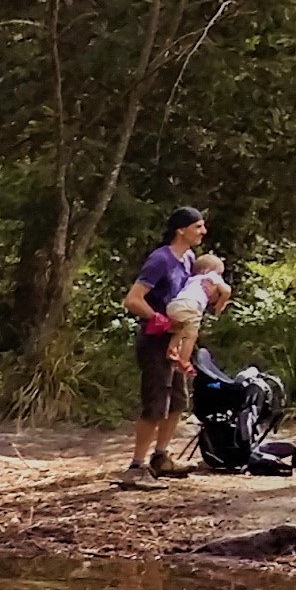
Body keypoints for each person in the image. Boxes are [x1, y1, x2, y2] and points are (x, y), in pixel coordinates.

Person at [119, 206, 224, 484]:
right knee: (156, 403)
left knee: (178, 400)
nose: (203, 231)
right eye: (198, 226)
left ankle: (161, 458)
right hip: (155, 340)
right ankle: (136, 467)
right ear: (181, 230)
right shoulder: (161, 259)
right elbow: (133, 300)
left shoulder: (189, 258)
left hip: (175, 340)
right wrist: (160, 320)